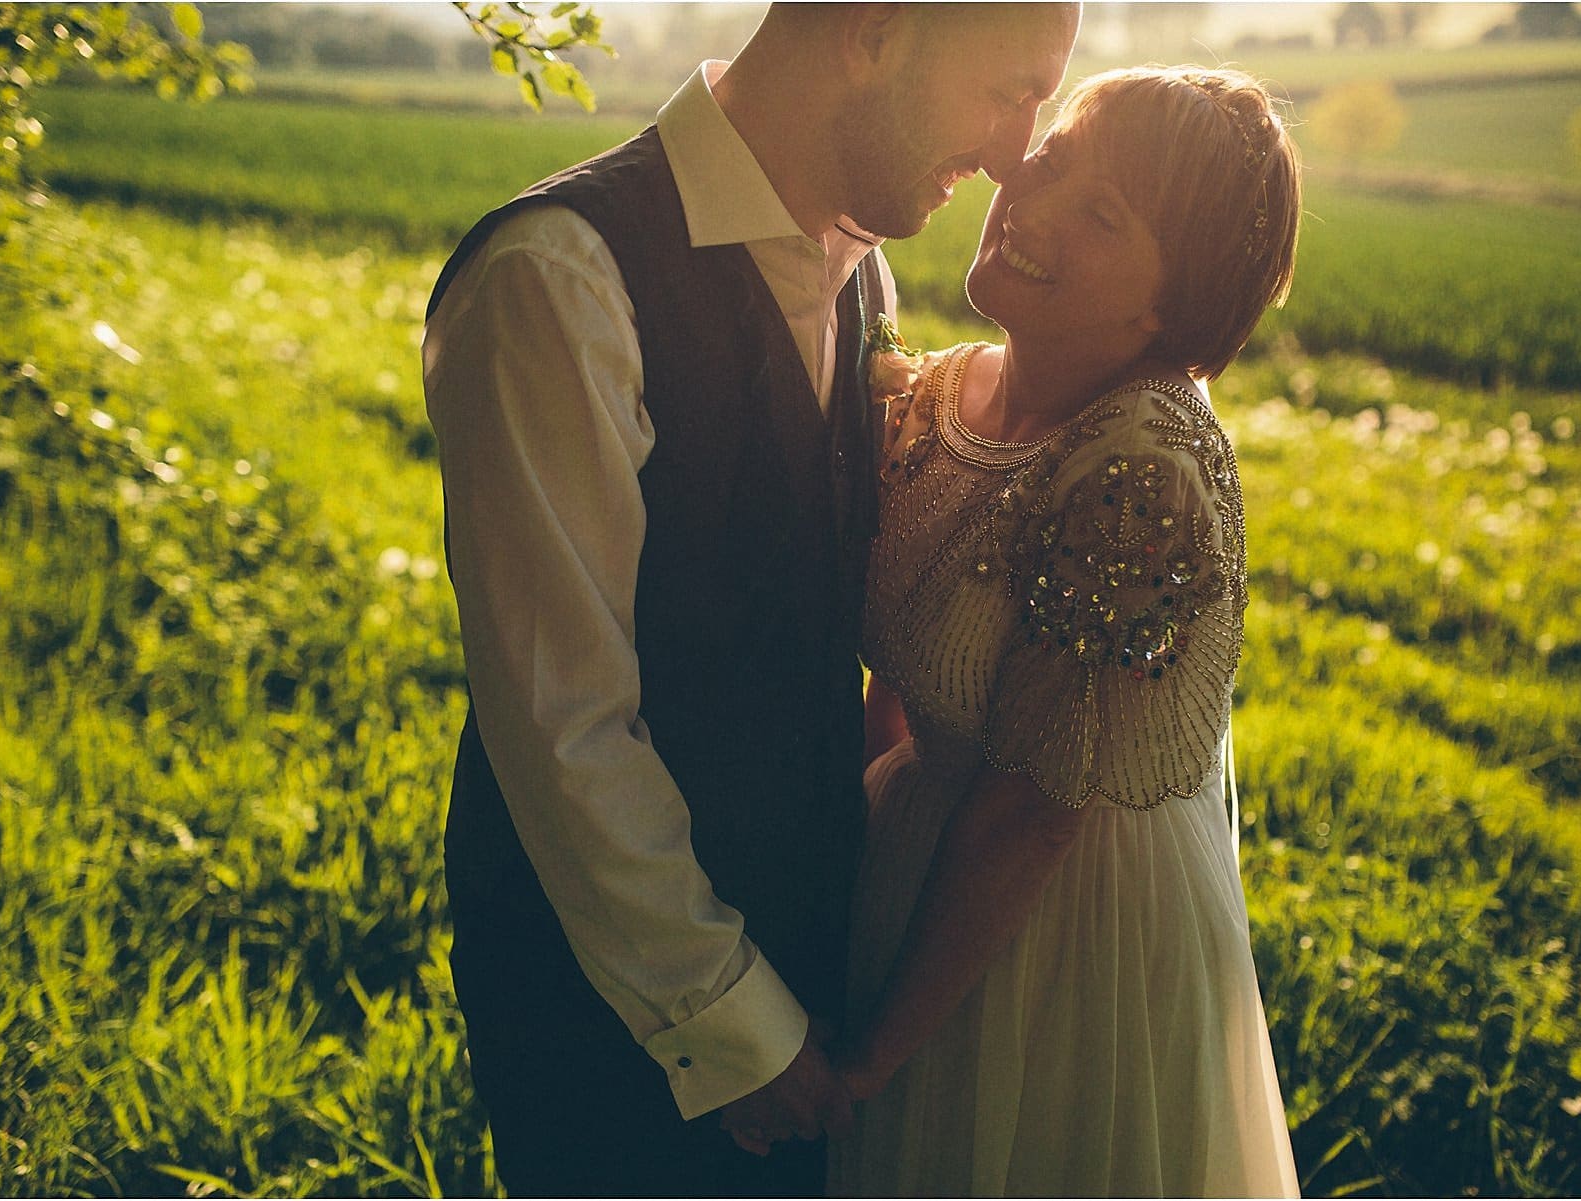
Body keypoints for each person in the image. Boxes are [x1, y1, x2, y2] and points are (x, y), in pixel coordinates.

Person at [420, 5, 1081, 1195]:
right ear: (875, 29)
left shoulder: (861, 267)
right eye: (1007, 91)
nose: (1014, 154)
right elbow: (563, 724)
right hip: (617, 1013)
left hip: (813, 965)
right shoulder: (557, 280)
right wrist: (733, 1024)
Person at [827, 66, 1303, 1196]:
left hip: (1056, 934)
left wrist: (867, 1062)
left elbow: (1037, 813)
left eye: (1101, 213)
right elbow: (909, 665)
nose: (1028, 202)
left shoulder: (1143, 468)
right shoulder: (949, 392)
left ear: (1168, 305)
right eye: (1053, 162)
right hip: (927, 854)